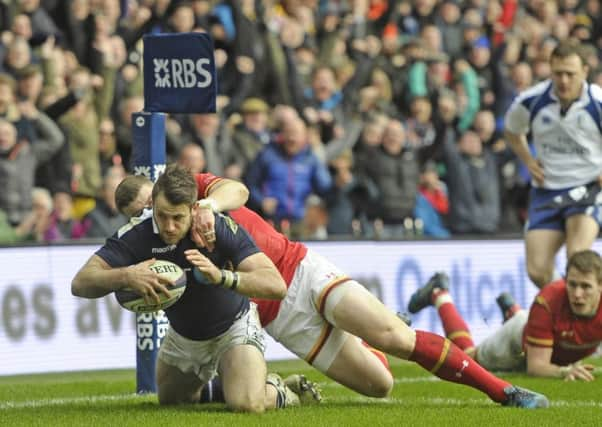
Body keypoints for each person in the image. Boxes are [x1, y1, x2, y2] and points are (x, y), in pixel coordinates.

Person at [117, 172, 550, 408]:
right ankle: (363, 333)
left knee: (395, 338)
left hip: (300, 270)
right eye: (142, 216)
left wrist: (210, 205)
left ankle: (503, 391)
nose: (152, 218)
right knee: (380, 385)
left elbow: (240, 189)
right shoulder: (162, 246)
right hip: (278, 316)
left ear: (159, 193)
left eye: (150, 206)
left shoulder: (194, 192)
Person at [71, 165, 305, 413]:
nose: (169, 226)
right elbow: (81, 282)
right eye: (162, 216)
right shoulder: (136, 234)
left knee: (247, 404)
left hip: (234, 327)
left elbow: (275, 285)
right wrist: (127, 275)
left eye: (178, 218)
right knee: (173, 402)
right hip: (184, 337)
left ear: (194, 209)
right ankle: (230, 383)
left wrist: (221, 276)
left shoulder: (218, 227)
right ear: (153, 206)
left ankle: (277, 390)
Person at [408, 249, 602, 381]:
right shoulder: (548, 303)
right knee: (467, 359)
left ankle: (512, 311)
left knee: (530, 323)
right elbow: (536, 366)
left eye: (586, 287)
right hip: (516, 341)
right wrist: (565, 371)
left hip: (536, 328)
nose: (577, 294)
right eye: (572, 284)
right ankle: (439, 293)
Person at [504, 39, 602, 288]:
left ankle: (585, 320)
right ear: (550, 70)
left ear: (585, 72)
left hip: (588, 188)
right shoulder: (531, 101)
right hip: (546, 191)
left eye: (571, 74)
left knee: (576, 257)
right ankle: (563, 309)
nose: (564, 80)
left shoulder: (598, 102)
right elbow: (512, 131)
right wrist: (527, 160)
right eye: (558, 73)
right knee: (537, 271)